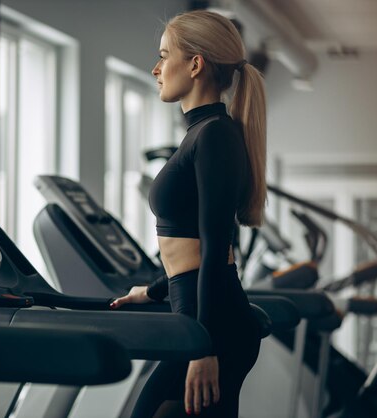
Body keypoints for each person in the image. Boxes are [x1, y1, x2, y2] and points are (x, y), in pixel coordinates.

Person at [110, 9, 267, 418]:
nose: (156, 68)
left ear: (195, 64)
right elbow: (194, 253)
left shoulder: (214, 134)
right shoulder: (203, 134)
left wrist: (204, 347)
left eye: (165, 55)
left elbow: (217, 247)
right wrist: (154, 290)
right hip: (199, 322)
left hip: (211, 331)